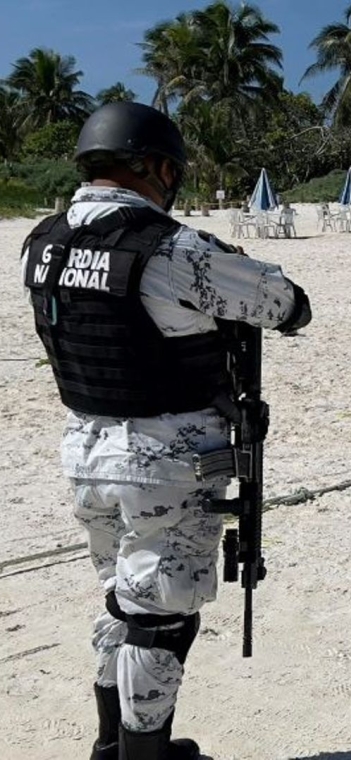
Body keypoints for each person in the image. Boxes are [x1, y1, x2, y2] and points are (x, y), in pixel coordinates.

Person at [20, 102, 311, 760]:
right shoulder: (169, 247)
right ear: (154, 167)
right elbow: (286, 305)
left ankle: (109, 746)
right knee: (162, 618)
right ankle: (141, 755)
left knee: (122, 600)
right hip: (162, 458)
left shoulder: (43, 240)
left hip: (85, 447)